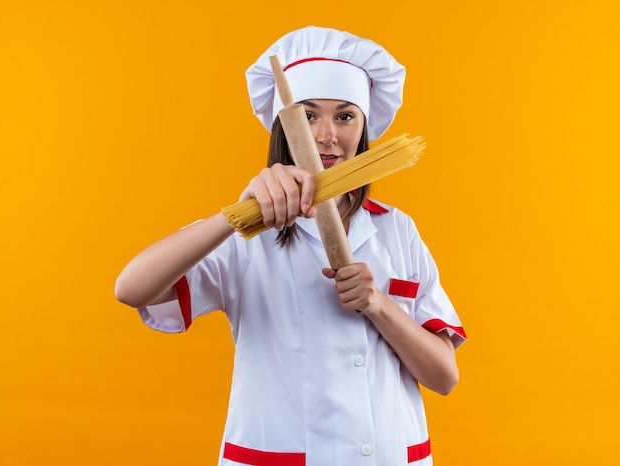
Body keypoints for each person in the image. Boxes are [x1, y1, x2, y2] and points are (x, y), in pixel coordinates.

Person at [116, 25, 466, 466]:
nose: (326, 136)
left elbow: (445, 376)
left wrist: (378, 305)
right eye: (308, 115)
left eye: (344, 116)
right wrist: (236, 214)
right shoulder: (245, 236)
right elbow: (130, 288)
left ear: (363, 128)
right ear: (284, 126)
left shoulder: (397, 230)